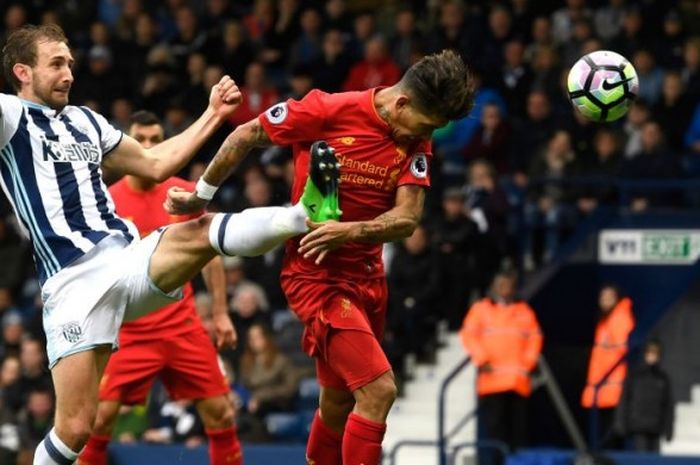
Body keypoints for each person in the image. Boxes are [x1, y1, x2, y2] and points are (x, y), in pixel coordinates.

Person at [0, 24, 336, 465]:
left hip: (126, 260)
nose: (68, 74)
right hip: (72, 286)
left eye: (71, 64)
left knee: (198, 232)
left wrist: (213, 113)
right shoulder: (9, 117)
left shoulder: (86, 121)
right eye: (57, 64)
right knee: (76, 429)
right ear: (22, 72)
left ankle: (304, 212)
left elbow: (156, 162)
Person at [166, 49, 475, 465]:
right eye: (424, 125)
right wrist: (199, 197)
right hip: (317, 278)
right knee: (380, 389)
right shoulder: (327, 110)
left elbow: (407, 218)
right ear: (401, 103)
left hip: (369, 281)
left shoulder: (417, 137)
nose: (424, 136)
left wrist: (349, 231)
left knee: (337, 401)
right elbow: (244, 135)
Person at [78, 111, 240, 465]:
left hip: (182, 326)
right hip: (130, 331)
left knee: (222, 414)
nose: (149, 145)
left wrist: (221, 312)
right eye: (142, 139)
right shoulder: (107, 200)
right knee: (98, 421)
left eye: (155, 139)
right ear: (129, 143)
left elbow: (210, 253)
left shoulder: (183, 194)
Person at [460, 270, 543, 465]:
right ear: (494, 287)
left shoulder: (524, 311)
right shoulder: (481, 309)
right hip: (492, 382)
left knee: (517, 433)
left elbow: (535, 338)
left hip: (517, 382)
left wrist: (527, 364)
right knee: (495, 435)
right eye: (501, 285)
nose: (505, 289)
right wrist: (482, 359)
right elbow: (469, 335)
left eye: (508, 285)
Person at [581, 284, 635, 449]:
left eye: (609, 297)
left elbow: (621, 350)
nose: (604, 301)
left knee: (611, 430)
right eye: (602, 297)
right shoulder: (605, 321)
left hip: (612, 383)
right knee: (604, 429)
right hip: (603, 384)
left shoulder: (619, 318)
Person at [614, 340, 674, 452]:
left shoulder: (663, 378)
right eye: (649, 353)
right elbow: (624, 400)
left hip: (656, 427)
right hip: (638, 426)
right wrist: (620, 423)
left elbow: (668, 406)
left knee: (654, 460)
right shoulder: (634, 375)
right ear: (644, 354)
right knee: (641, 458)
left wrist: (669, 429)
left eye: (655, 353)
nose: (652, 356)